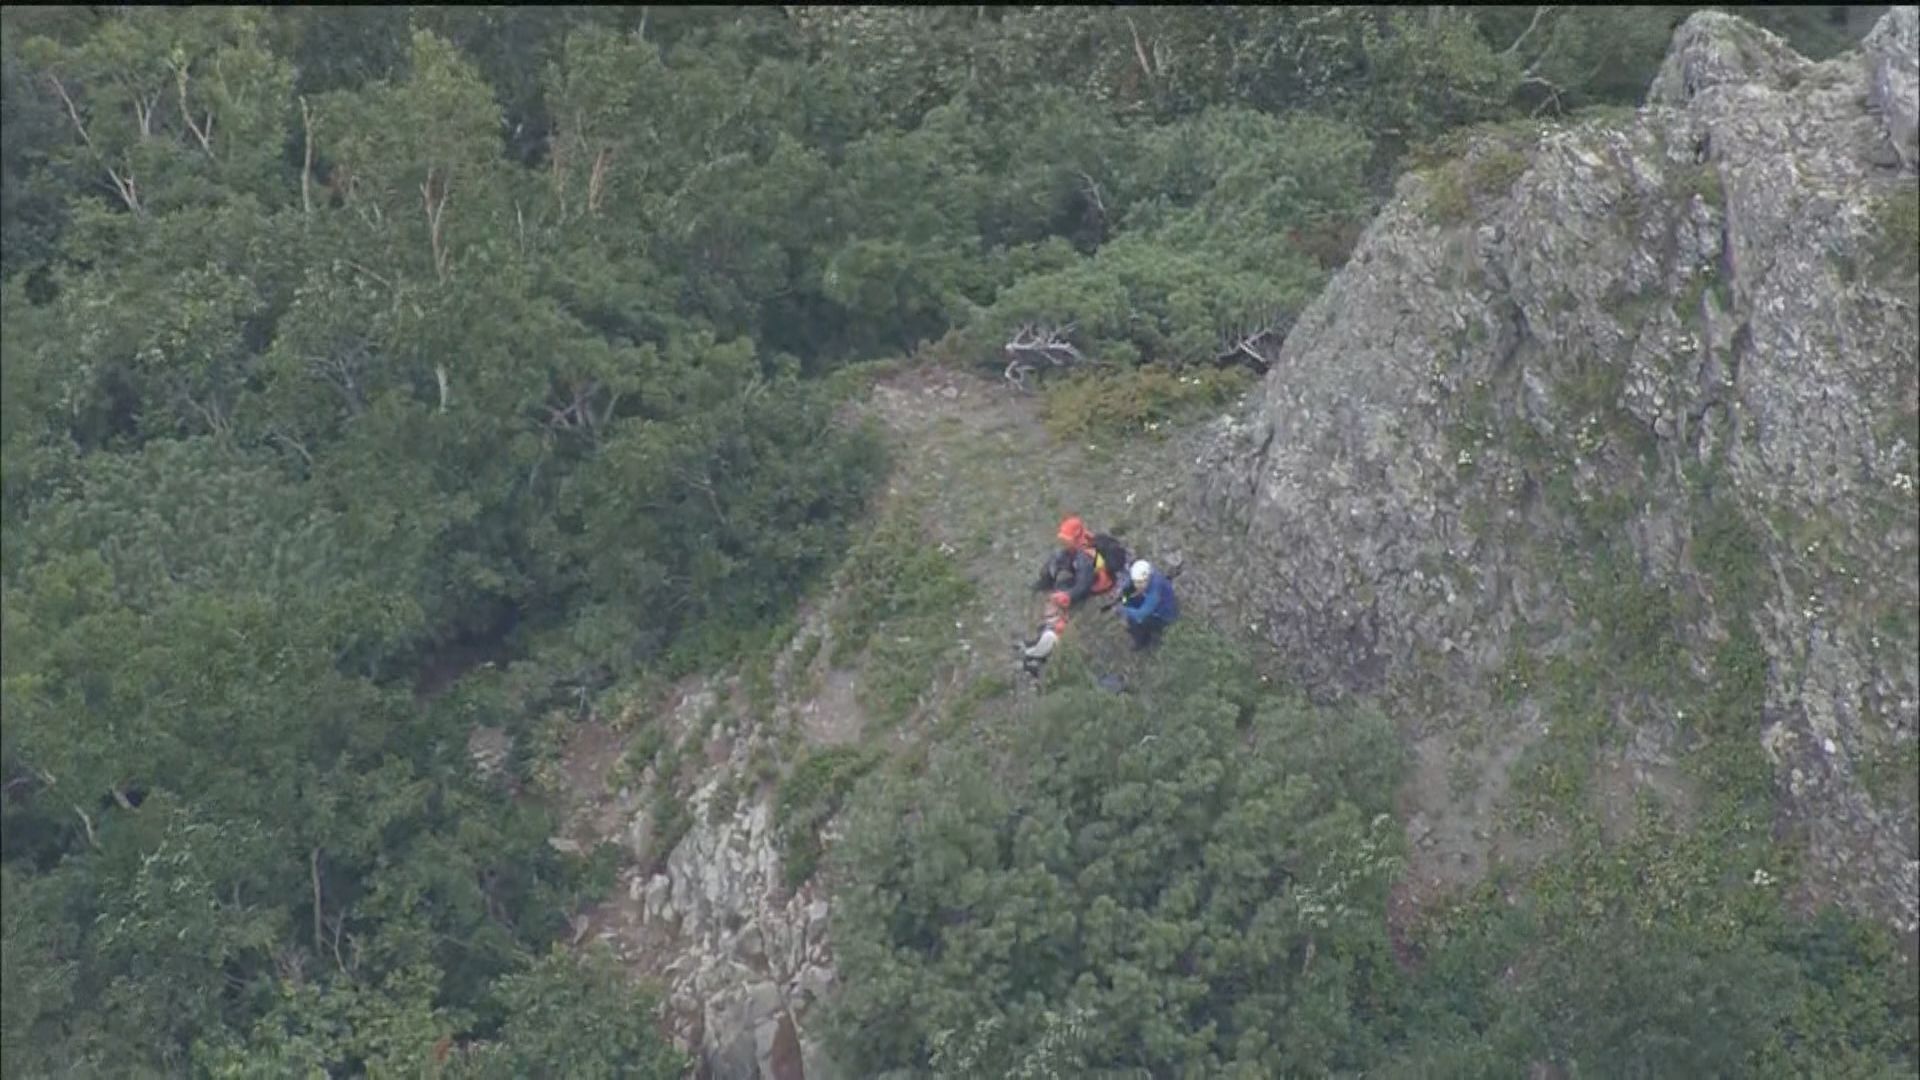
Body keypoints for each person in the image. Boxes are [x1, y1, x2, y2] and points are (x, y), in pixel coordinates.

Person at [1030, 515, 1114, 605]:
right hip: (1083, 567)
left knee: (1061, 587)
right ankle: (1046, 582)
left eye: (1066, 540)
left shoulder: (1085, 558)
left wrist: (1068, 596)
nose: (1063, 542)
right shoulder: (1083, 539)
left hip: (1094, 580)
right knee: (1058, 558)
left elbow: (1083, 584)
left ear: (1074, 539)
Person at [1116, 559, 1178, 651]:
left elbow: (1141, 614)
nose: (1137, 585)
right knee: (1130, 603)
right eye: (1136, 581)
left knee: (1137, 620)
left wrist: (1124, 609)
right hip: (1154, 606)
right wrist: (1124, 599)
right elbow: (1128, 587)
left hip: (1163, 615)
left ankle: (1142, 641)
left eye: (1140, 582)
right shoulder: (1147, 574)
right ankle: (1140, 632)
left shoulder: (1155, 590)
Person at [1018, 590, 1072, 676]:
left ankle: (1032, 657)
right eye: (1049, 604)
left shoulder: (1060, 625)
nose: (1048, 606)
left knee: (1049, 636)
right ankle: (1029, 651)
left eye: (1052, 605)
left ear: (1059, 610)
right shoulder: (1050, 621)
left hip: (1051, 655)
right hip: (1044, 650)